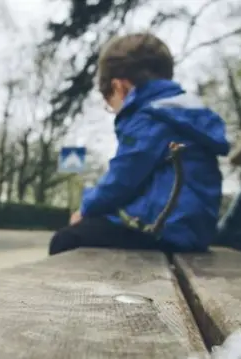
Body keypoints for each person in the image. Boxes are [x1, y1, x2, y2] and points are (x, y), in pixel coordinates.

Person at [49, 33, 230, 256]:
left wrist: (85, 208)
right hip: (189, 231)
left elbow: (122, 180)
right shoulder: (183, 113)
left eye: (111, 105)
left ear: (120, 87)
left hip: (160, 230)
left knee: (67, 239)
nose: (115, 112)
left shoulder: (149, 117)